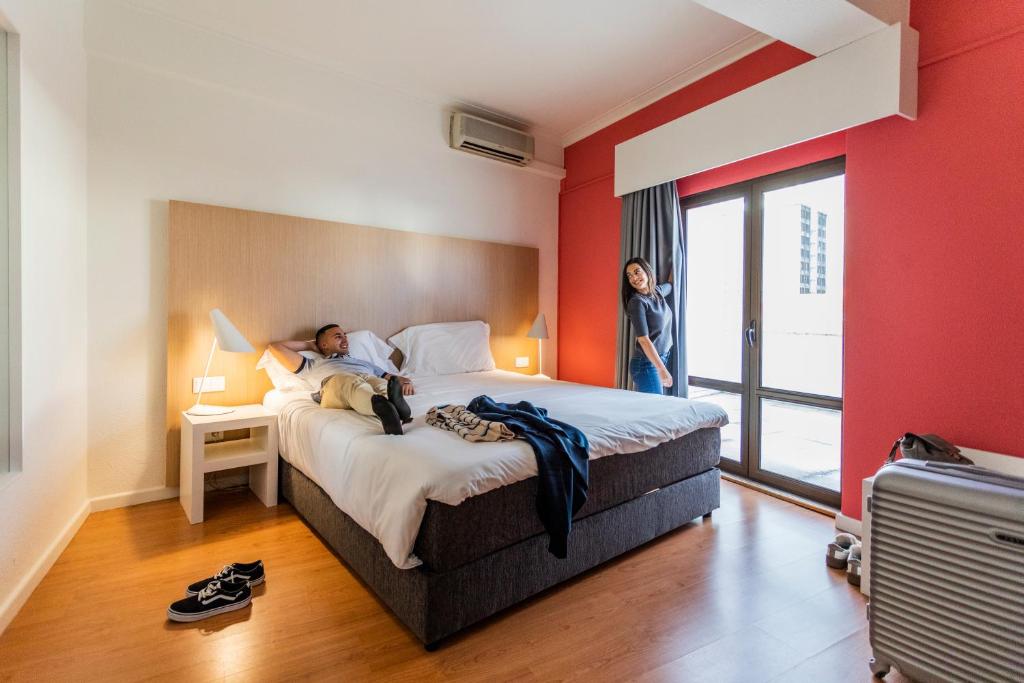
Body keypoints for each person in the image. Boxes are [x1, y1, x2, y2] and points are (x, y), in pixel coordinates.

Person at [269, 324, 414, 435]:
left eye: (345, 336)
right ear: (324, 344)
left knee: (380, 383)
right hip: (334, 385)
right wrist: (309, 345)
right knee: (350, 383)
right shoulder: (312, 364)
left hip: (366, 377)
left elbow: (393, 378)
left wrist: (406, 382)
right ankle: (384, 408)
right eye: (338, 336)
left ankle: (395, 408)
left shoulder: (364, 363)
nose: (345, 339)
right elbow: (275, 347)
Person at [621, 257, 673, 395]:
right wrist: (662, 369)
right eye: (629, 276)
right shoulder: (637, 302)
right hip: (646, 364)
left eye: (637, 272)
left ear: (647, 271)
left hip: (661, 357)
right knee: (655, 408)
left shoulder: (657, 292)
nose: (634, 278)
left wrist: (677, 260)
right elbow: (643, 339)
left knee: (652, 408)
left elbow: (670, 284)